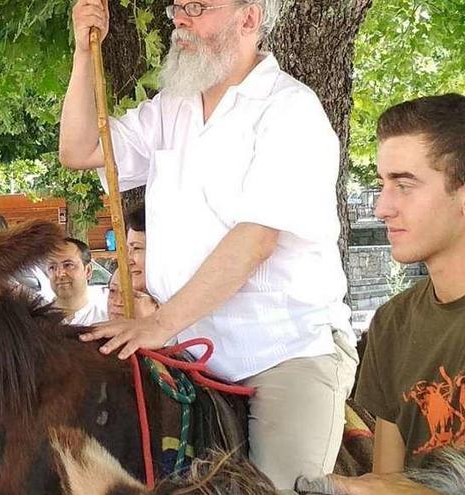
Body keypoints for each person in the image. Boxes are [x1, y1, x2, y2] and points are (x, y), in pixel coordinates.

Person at [60, 0, 357, 488]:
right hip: (186, 351)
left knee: (282, 488)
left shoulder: (290, 109)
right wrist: (82, 53)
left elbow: (254, 240)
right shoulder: (171, 106)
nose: (180, 18)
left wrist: (159, 324)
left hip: (283, 352)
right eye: (178, 6)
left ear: (249, 18)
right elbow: (81, 149)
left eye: (197, 7)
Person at [319, 94, 465, 495]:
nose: (382, 207)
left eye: (404, 185)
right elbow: (389, 479)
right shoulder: (392, 323)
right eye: (383, 184)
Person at [47, 237, 108, 325]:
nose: (59, 274)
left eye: (68, 265)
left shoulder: (105, 320)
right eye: (52, 267)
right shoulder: (34, 320)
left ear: (88, 271)